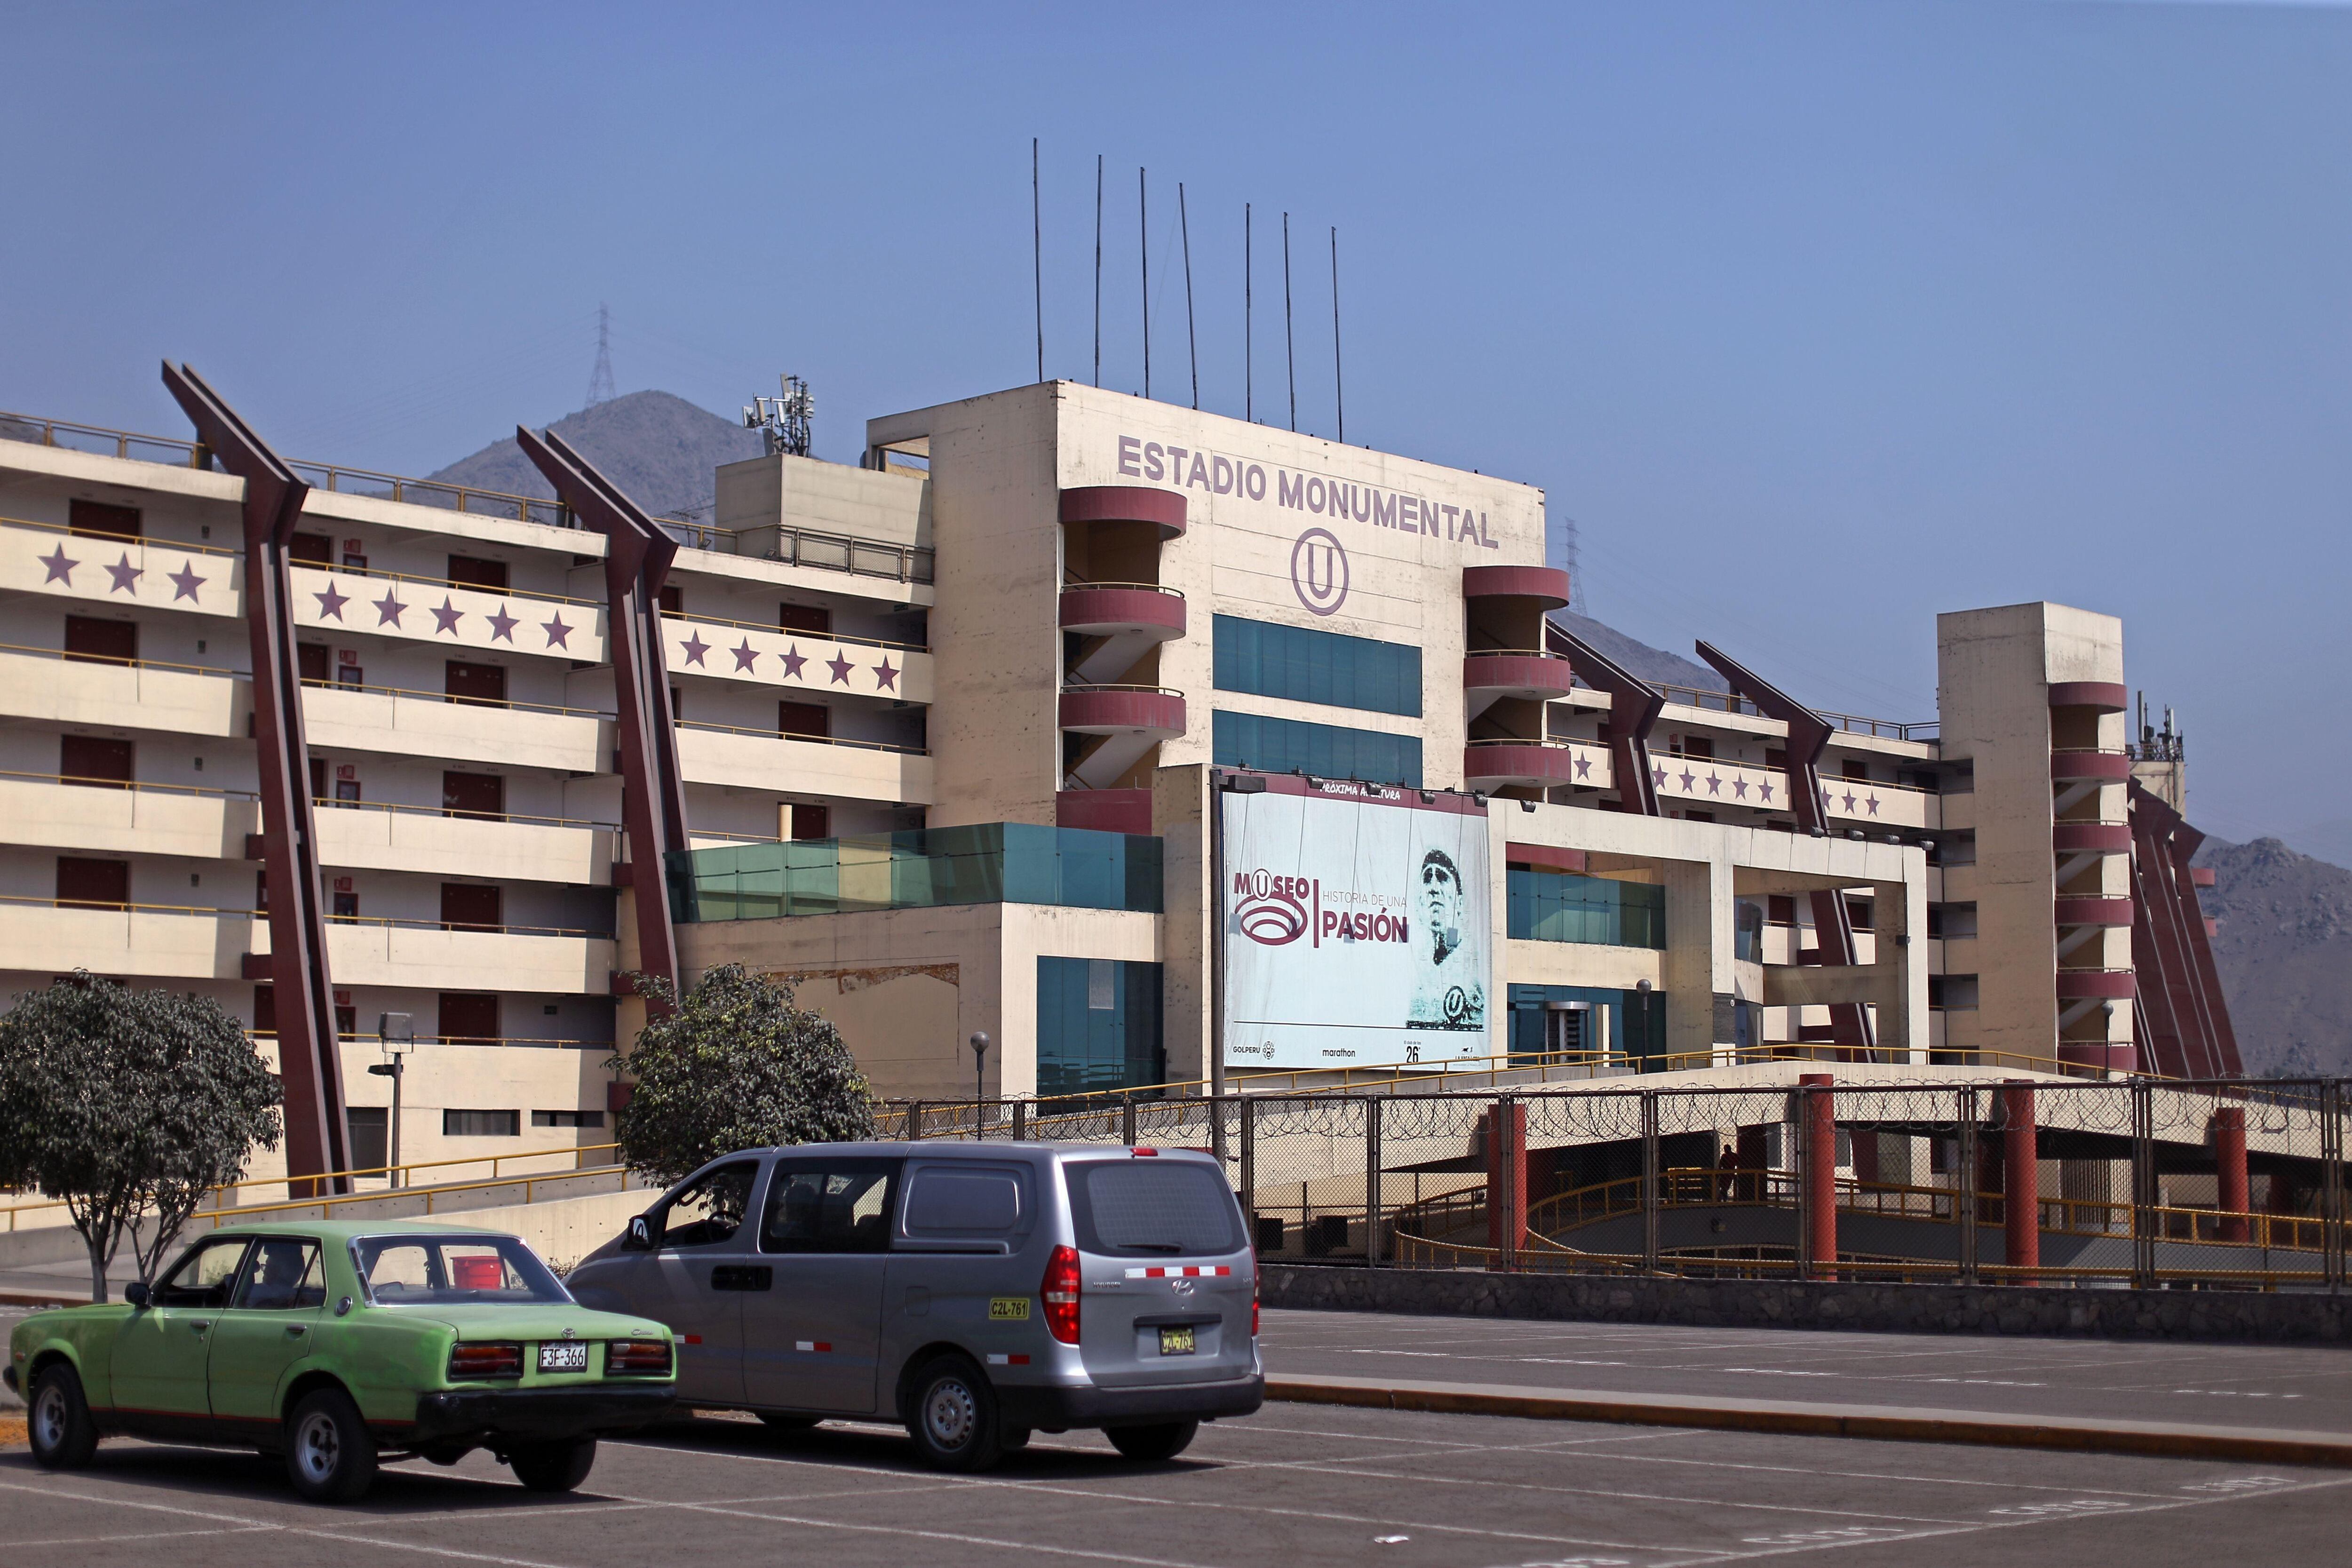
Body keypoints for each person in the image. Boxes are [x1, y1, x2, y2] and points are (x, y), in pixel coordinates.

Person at [1405, 848, 1485, 1030]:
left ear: (1460, 901)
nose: (1434, 888)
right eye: (1427, 879)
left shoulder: (1474, 969)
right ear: (1420, 901)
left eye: (1442, 878)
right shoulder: (1419, 972)